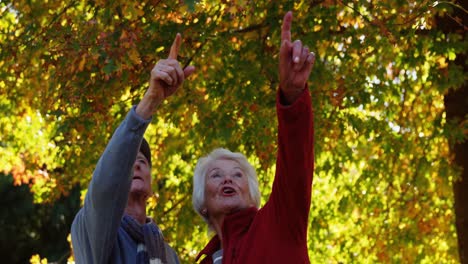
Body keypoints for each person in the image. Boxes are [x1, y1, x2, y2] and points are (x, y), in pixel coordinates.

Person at [192, 11, 315, 264]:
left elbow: (296, 163)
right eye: (216, 175)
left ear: (252, 197)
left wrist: (292, 95)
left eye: (238, 175)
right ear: (202, 202)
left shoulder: (278, 223)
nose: (228, 178)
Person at [71, 33, 196, 264]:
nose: (137, 163)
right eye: (129, 161)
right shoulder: (88, 228)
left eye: (143, 162)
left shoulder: (168, 254)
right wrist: (150, 101)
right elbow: (106, 185)